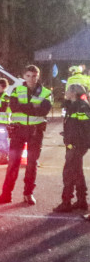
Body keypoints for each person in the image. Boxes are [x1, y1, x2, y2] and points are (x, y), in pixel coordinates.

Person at [0, 65, 52, 206]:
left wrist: (25, 107)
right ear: (24, 76)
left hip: (35, 132)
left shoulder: (45, 92)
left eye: (34, 76)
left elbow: (44, 111)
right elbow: (14, 107)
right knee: (13, 164)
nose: (31, 79)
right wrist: (33, 107)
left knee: (32, 164)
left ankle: (28, 193)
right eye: (28, 76)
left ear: (38, 76)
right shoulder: (17, 90)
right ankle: (6, 194)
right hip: (19, 131)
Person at [57, 83, 90, 213]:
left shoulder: (81, 106)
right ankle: (82, 201)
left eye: (67, 91)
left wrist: (76, 141)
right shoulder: (73, 105)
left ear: (73, 92)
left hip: (76, 145)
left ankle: (66, 202)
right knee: (77, 172)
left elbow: (85, 127)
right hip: (74, 144)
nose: (65, 92)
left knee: (68, 172)